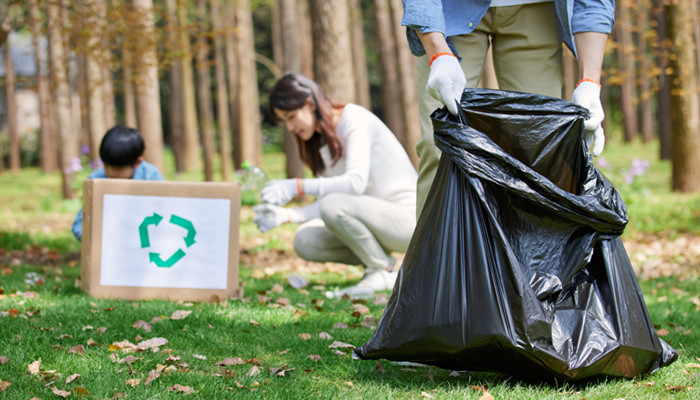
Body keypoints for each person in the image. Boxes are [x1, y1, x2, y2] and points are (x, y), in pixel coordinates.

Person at [402, 0, 615, 215]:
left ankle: (536, 249)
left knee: (542, 149)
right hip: (449, 10)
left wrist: (589, 82)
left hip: (536, 10)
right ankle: (438, 249)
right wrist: (437, 52)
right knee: (440, 146)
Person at [253, 73, 417, 294]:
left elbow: (354, 184)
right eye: (285, 121)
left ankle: (382, 271)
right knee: (305, 240)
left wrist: (297, 186)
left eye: (291, 117)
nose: (290, 127)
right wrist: (286, 215)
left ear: (310, 104)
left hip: (409, 222)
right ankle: (382, 265)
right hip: (373, 222)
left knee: (333, 204)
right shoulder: (323, 142)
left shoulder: (354, 119)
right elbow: (328, 205)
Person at [72, 125, 164, 241]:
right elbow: (79, 225)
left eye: (118, 168)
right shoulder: (97, 179)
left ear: (137, 162)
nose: (110, 172)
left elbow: (162, 215)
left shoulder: (151, 177)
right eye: (106, 165)